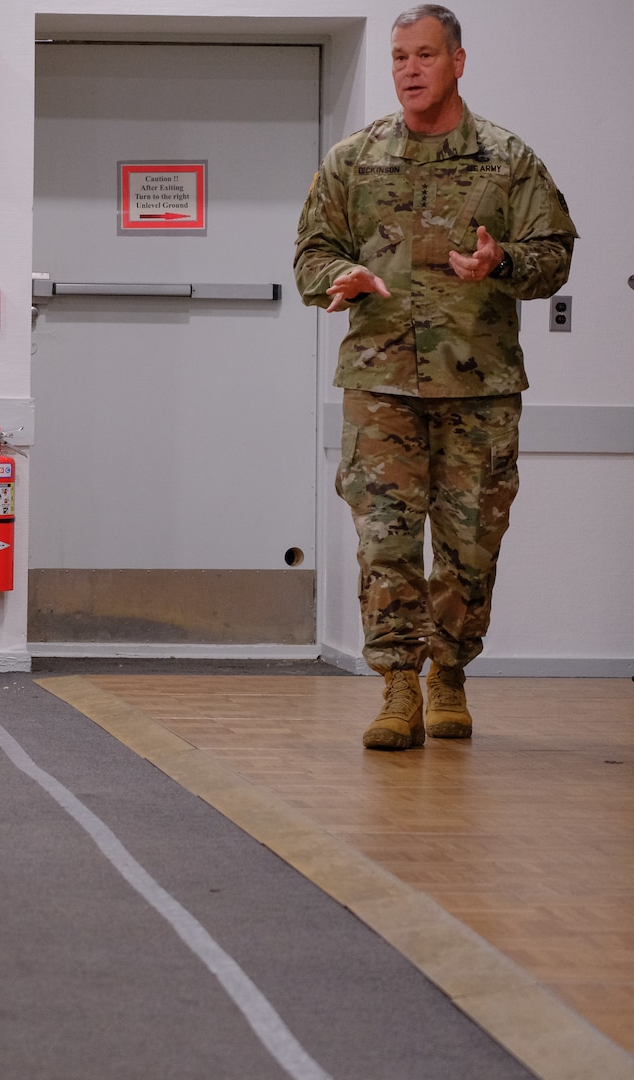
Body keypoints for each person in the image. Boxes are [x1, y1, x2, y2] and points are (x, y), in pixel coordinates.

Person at [294, 4, 576, 750]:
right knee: (383, 541)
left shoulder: (507, 160)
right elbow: (309, 255)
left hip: (478, 388)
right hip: (379, 385)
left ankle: (447, 675)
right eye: (397, 57)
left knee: (470, 544)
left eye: (423, 55)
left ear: (456, 62)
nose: (408, 70)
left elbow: (553, 257)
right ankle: (395, 687)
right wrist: (341, 272)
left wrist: (501, 262)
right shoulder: (352, 159)